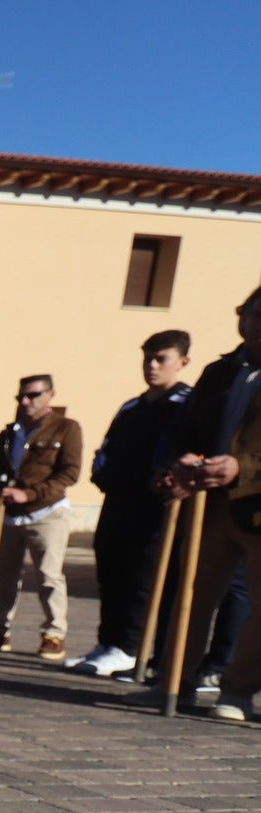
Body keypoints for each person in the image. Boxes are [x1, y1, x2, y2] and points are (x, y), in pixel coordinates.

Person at [163, 286, 261, 722]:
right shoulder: (220, 371)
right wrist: (184, 458)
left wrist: (242, 467)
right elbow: (190, 430)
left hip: (255, 503)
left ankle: (237, 691)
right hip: (211, 503)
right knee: (191, 595)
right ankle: (173, 682)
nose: (254, 323)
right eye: (249, 313)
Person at [70, 334, 192, 676]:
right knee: (111, 574)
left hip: (154, 508)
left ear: (182, 362)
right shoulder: (131, 408)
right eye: (147, 359)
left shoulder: (185, 405)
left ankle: (130, 646)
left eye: (161, 359)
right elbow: (106, 449)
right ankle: (108, 641)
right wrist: (103, 475)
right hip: (118, 503)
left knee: (142, 579)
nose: (152, 366)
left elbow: (187, 447)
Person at [0, 375, 83, 660]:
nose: (25, 401)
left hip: (47, 512)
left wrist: (32, 494)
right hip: (11, 514)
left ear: (50, 395)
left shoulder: (67, 428)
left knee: (48, 575)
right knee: (4, 576)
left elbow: (69, 473)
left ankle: (54, 633)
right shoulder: (10, 432)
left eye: (33, 395)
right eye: (21, 397)